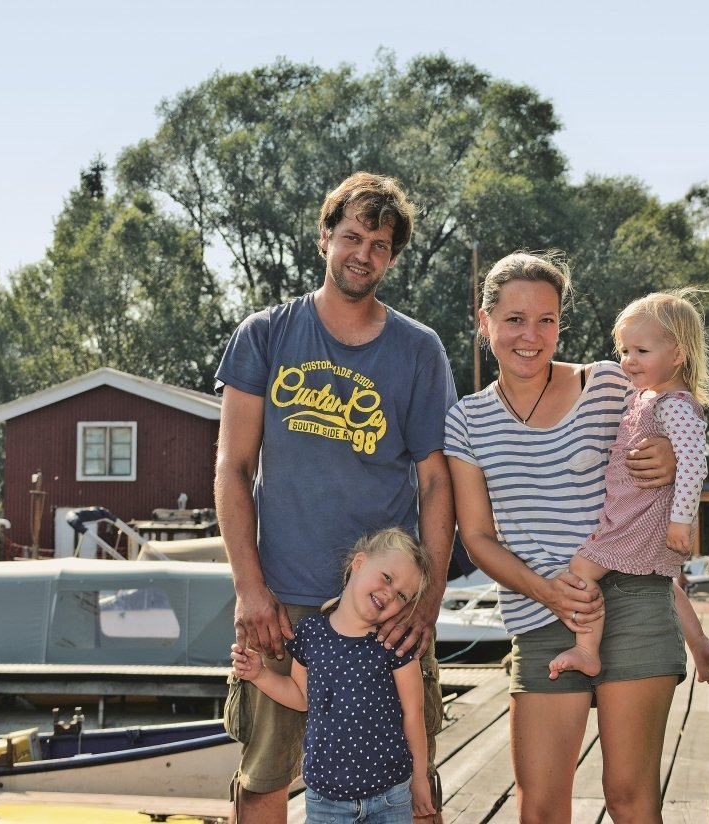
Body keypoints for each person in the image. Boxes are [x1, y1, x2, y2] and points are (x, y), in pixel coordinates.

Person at [214, 172, 455, 824]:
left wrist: (426, 603)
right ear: (324, 237)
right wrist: (248, 586)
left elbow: (437, 483)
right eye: (351, 236)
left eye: (380, 244)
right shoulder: (265, 334)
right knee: (263, 778)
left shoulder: (419, 351)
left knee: (406, 785)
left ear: (393, 257)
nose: (363, 253)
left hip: (386, 605)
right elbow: (233, 467)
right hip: (282, 601)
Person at [444, 252, 705, 823]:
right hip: (539, 615)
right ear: (484, 322)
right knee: (539, 807)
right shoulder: (466, 420)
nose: (531, 336)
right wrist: (548, 592)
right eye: (514, 319)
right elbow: (479, 536)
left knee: (630, 799)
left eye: (547, 320)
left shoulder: (610, 382)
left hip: (634, 599)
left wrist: (667, 456)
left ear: (561, 324)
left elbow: (678, 426)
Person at [549, 290, 709, 684]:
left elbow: (694, 465)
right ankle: (699, 643)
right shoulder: (649, 397)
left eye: (641, 351)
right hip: (641, 514)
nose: (628, 360)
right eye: (624, 350)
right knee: (658, 580)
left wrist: (681, 522)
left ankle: (586, 650)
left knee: (580, 569)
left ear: (677, 355)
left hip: (640, 518)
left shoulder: (674, 404)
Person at [230, 528, 437, 823]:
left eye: (402, 595)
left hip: (390, 797)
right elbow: (302, 698)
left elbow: (413, 714)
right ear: (359, 563)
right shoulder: (311, 633)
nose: (390, 593)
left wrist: (419, 779)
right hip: (326, 801)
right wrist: (259, 674)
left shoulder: (394, 645)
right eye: (387, 578)